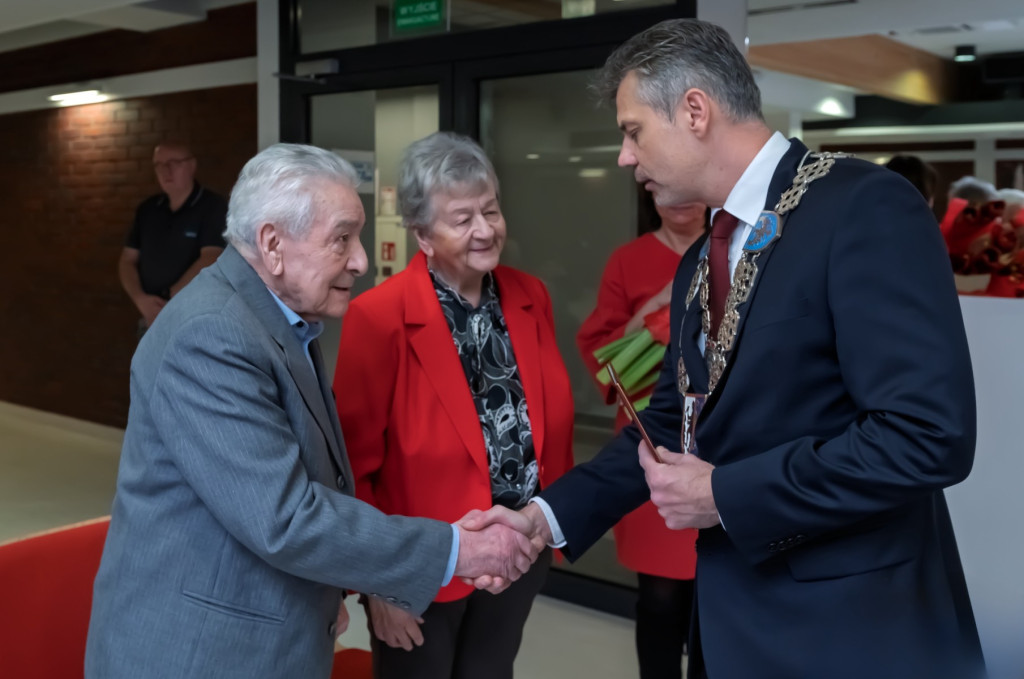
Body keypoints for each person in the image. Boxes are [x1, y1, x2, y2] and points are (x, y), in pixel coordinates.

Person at [466, 18, 984, 679]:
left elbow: (927, 434)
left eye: (632, 130)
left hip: (850, 631)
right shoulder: (699, 262)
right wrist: (543, 517)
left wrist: (728, 494)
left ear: (694, 111)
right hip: (733, 625)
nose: (624, 156)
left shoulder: (862, 206)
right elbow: (667, 425)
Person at [85, 143, 540, 679]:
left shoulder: (277, 319)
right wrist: (455, 551)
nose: (361, 260)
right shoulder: (209, 336)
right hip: (200, 652)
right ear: (273, 244)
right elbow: (286, 517)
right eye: (342, 238)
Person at [333, 131, 574, 679]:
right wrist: (381, 583)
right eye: (462, 219)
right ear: (422, 234)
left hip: (519, 550)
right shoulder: (379, 317)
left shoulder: (530, 295)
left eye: (490, 209)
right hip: (421, 569)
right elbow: (353, 466)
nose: (485, 230)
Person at [576, 194, 706, 679]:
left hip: (719, 440)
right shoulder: (628, 261)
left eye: (688, 190)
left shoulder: (736, 250)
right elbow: (605, 363)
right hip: (654, 439)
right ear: (650, 194)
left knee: (717, 592)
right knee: (659, 594)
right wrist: (658, 306)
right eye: (664, 191)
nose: (678, 201)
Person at [118, 141, 227, 331]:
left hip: (194, 318)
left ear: (192, 166)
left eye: (173, 163)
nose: (165, 171)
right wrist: (140, 300)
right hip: (151, 317)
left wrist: (170, 299)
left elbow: (211, 256)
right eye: (159, 165)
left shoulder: (213, 206)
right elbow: (127, 260)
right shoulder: (148, 210)